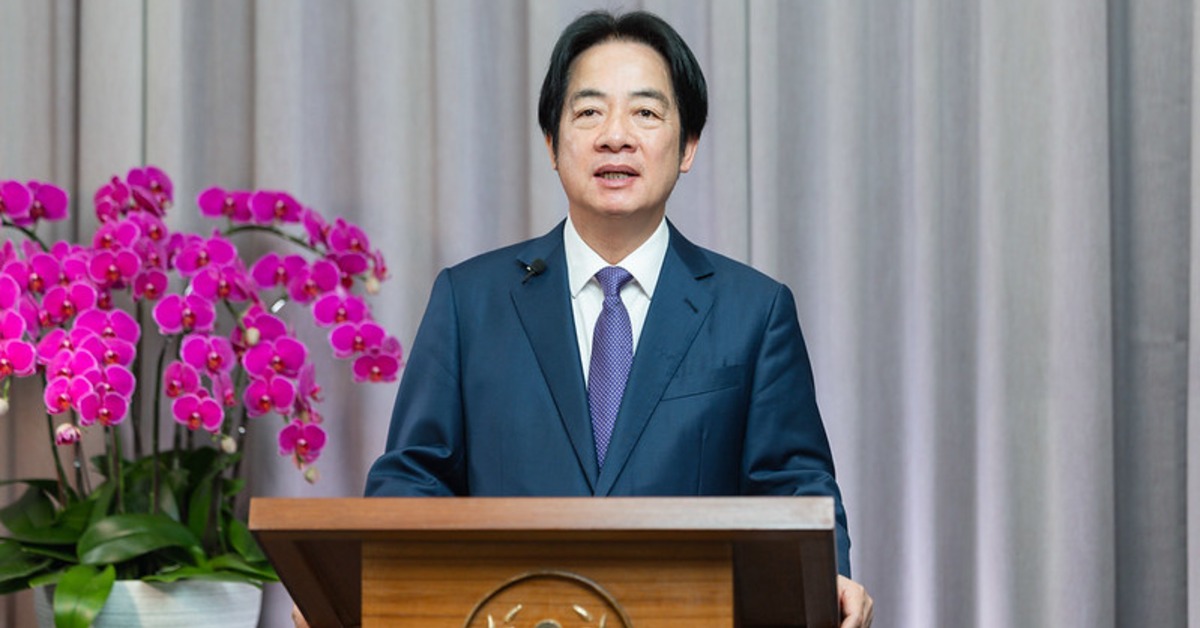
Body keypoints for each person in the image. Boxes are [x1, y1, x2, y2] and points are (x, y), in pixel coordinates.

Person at [361, 9, 873, 627]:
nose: (615, 137)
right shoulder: (469, 302)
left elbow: (794, 484)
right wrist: (365, 591)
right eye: (589, 112)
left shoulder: (753, 312)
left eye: (646, 113)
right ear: (552, 144)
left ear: (688, 146)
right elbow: (413, 477)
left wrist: (826, 579)